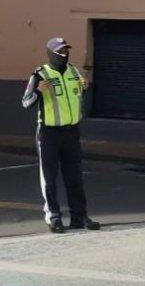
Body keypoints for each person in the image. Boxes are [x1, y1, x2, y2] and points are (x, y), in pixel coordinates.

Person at [22, 37, 100, 233]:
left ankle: (79, 216)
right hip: (49, 133)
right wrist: (38, 92)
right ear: (51, 53)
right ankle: (54, 216)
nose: (64, 54)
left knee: (75, 176)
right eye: (60, 51)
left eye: (66, 51)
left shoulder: (74, 72)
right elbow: (25, 102)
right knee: (49, 177)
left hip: (71, 132)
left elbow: (78, 98)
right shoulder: (40, 75)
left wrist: (85, 87)